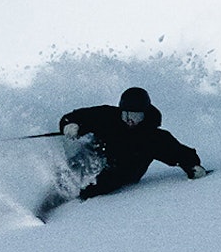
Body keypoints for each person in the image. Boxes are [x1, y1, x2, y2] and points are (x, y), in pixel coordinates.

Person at [37, 87, 208, 219]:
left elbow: (179, 153)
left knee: (92, 186)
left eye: (136, 116)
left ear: (145, 114)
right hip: (93, 156)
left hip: (121, 174)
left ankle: (70, 202)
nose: (130, 121)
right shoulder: (107, 116)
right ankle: (42, 207)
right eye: (126, 115)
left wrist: (192, 166)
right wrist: (69, 125)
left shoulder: (153, 137)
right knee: (71, 173)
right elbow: (75, 117)